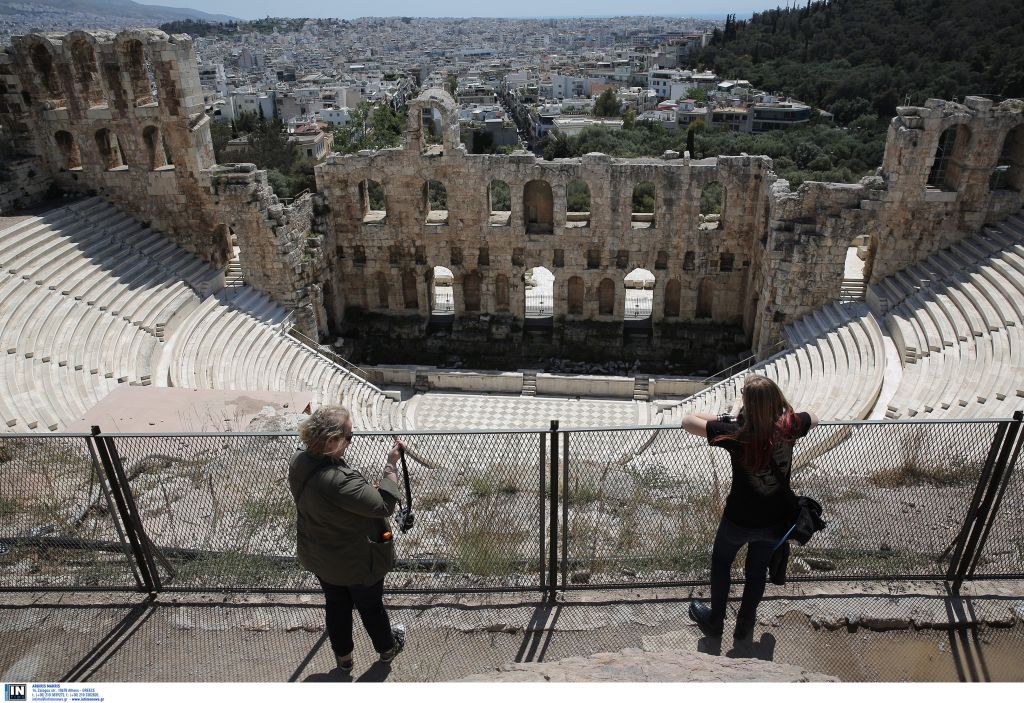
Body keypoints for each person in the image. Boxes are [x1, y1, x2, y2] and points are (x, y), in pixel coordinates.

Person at [680, 374, 818, 641]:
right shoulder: (790, 427)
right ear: (776, 399)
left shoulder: (735, 433)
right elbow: (814, 416)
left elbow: (688, 421)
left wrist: (730, 417)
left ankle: (716, 621)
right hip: (775, 520)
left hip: (738, 519)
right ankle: (745, 625)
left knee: (721, 563)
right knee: (756, 572)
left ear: (748, 404)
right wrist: (784, 417)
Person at [288, 405, 406, 672]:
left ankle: (344, 660)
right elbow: (384, 505)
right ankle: (387, 649)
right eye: (349, 436)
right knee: (371, 608)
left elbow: (332, 502)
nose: (351, 441)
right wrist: (391, 464)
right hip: (355, 563)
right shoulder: (340, 480)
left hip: (320, 556)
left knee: (336, 607)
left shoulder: (299, 461)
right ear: (331, 441)